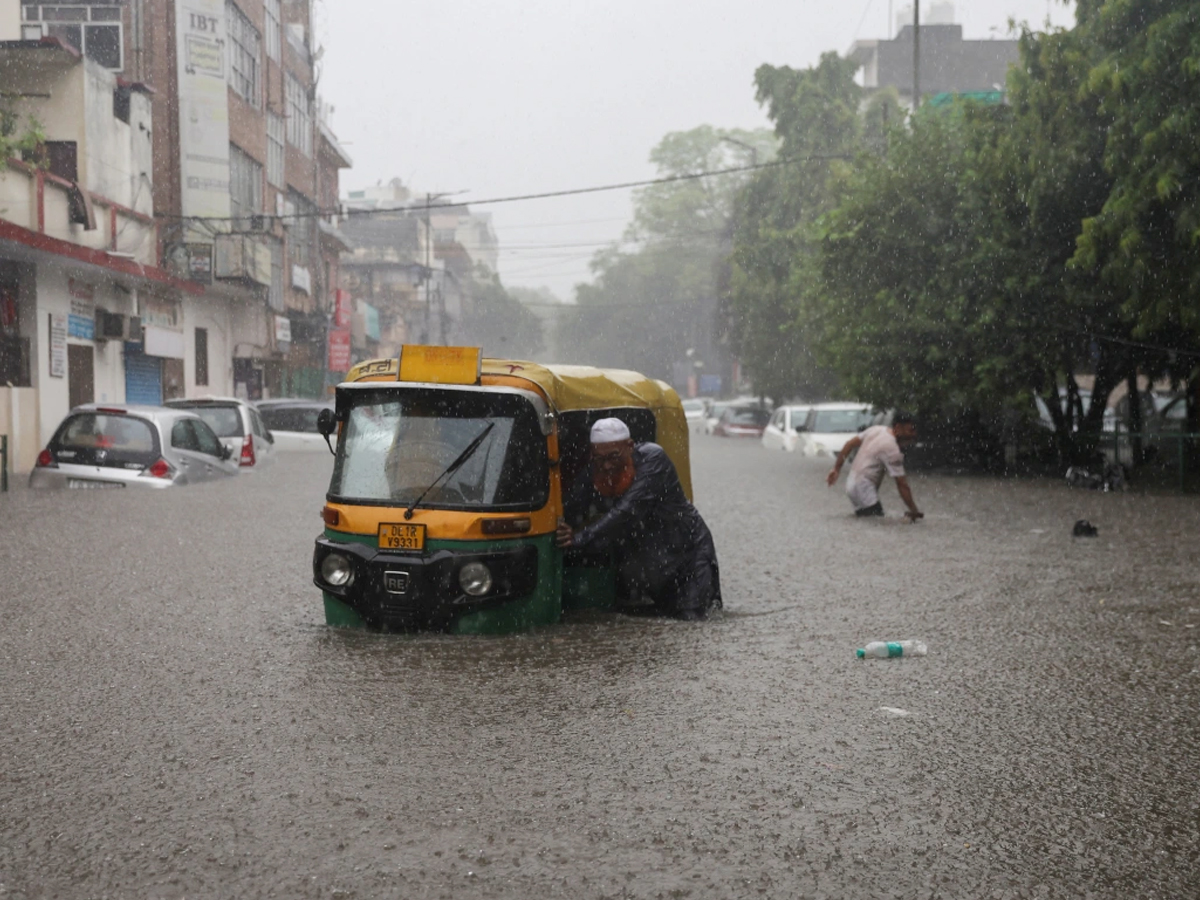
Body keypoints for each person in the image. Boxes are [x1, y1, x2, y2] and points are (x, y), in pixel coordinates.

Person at [556, 417, 721, 620]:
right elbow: (570, 507)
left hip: (689, 552)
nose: (607, 466)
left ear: (630, 446)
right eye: (599, 458)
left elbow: (628, 510)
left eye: (613, 457)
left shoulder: (653, 459)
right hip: (653, 560)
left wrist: (579, 539)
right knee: (660, 618)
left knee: (693, 618)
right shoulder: (594, 471)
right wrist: (561, 528)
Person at [825, 412, 924, 521]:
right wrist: (914, 510)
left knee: (866, 521)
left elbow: (849, 444)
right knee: (876, 523)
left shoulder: (877, 430)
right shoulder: (891, 449)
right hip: (863, 488)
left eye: (915, 431)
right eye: (910, 430)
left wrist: (836, 469)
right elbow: (902, 484)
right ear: (898, 427)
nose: (914, 434)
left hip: (851, 484)